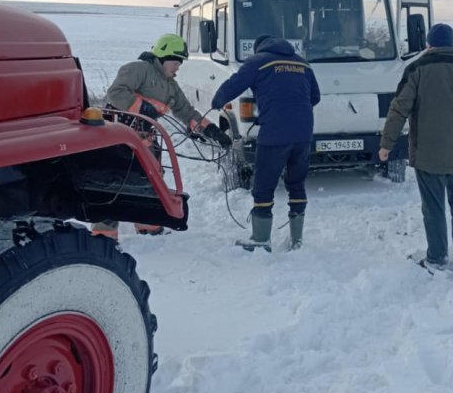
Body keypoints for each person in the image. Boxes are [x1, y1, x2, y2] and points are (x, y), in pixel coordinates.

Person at [91, 33, 231, 241]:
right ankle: (104, 234)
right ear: (164, 57)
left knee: (151, 179)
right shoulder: (138, 69)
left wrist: (211, 130)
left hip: (145, 139)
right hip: (117, 137)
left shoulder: (171, 86)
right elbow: (116, 92)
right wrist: (142, 107)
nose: (178, 68)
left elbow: (186, 112)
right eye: (176, 62)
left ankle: (147, 225)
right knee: (114, 181)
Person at [378, 22, 453, 270]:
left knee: (433, 206)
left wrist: (387, 143)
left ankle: (437, 257)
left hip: (427, 153)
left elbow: (398, 109)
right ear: (452, 44)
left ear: (428, 45)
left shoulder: (417, 69)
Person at [211, 34, 321, 251]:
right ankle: (297, 240)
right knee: (296, 183)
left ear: (258, 48)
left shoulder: (257, 61)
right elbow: (315, 97)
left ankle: (261, 239)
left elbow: (234, 84)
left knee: (264, 184)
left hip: (275, 133)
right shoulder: (302, 63)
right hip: (303, 133)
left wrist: (216, 102)